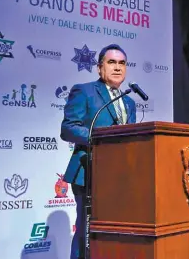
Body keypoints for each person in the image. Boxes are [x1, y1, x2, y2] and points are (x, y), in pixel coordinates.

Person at [60, 44, 137, 259]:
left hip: (119, 176)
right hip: (88, 172)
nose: (117, 67)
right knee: (87, 231)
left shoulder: (129, 101)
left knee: (114, 231)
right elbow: (68, 128)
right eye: (111, 62)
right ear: (99, 67)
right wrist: (101, 138)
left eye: (122, 63)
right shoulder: (84, 91)